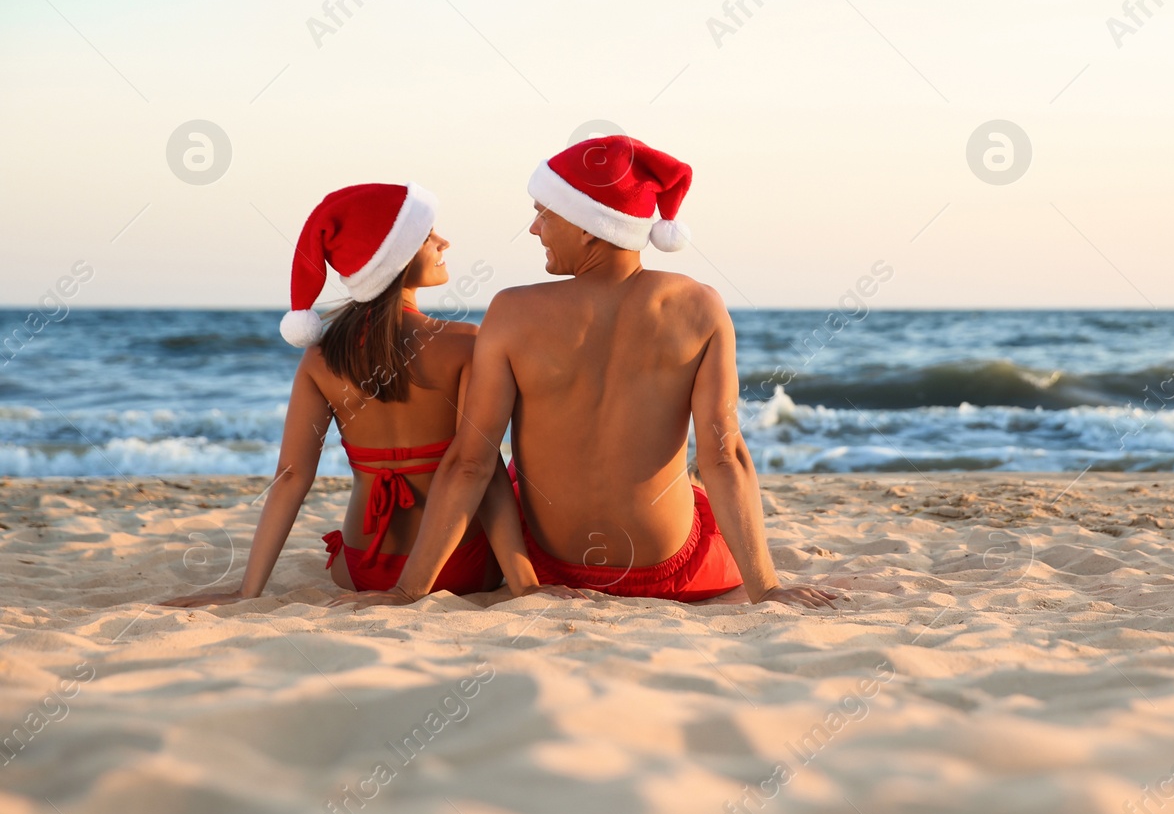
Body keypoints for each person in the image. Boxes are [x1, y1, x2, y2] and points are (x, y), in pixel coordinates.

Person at [337, 137, 836, 609]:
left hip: (550, 568)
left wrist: (407, 592)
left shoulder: (511, 312)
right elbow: (724, 456)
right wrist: (767, 589)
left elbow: (470, 464)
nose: (534, 229)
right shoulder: (701, 307)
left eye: (542, 213)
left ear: (586, 225)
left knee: (505, 483)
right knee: (696, 491)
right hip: (669, 573)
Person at [161, 183, 562, 608]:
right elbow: (476, 471)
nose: (445, 242)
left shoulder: (320, 356)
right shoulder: (463, 343)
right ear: (396, 258)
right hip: (459, 567)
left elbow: (292, 476)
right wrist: (525, 588)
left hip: (359, 568)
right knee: (508, 470)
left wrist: (246, 592)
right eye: (428, 236)